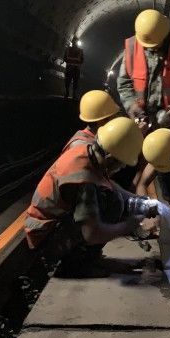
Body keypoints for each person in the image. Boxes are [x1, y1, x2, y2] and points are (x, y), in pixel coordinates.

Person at [25, 117, 151, 276]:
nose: (123, 166)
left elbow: (110, 185)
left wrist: (140, 201)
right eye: (122, 162)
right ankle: (76, 266)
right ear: (111, 157)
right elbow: (91, 234)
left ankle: (88, 258)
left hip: (52, 225)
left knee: (113, 199)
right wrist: (129, 225)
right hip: (45, 240)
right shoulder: (83, 179)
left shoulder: (90, 151)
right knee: (112, 205)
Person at [117, 9, 170, 132]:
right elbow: (124, 83)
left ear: (165, 35)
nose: (151, 47)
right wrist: (131, 104)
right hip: (141, 120)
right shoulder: (132, 48)